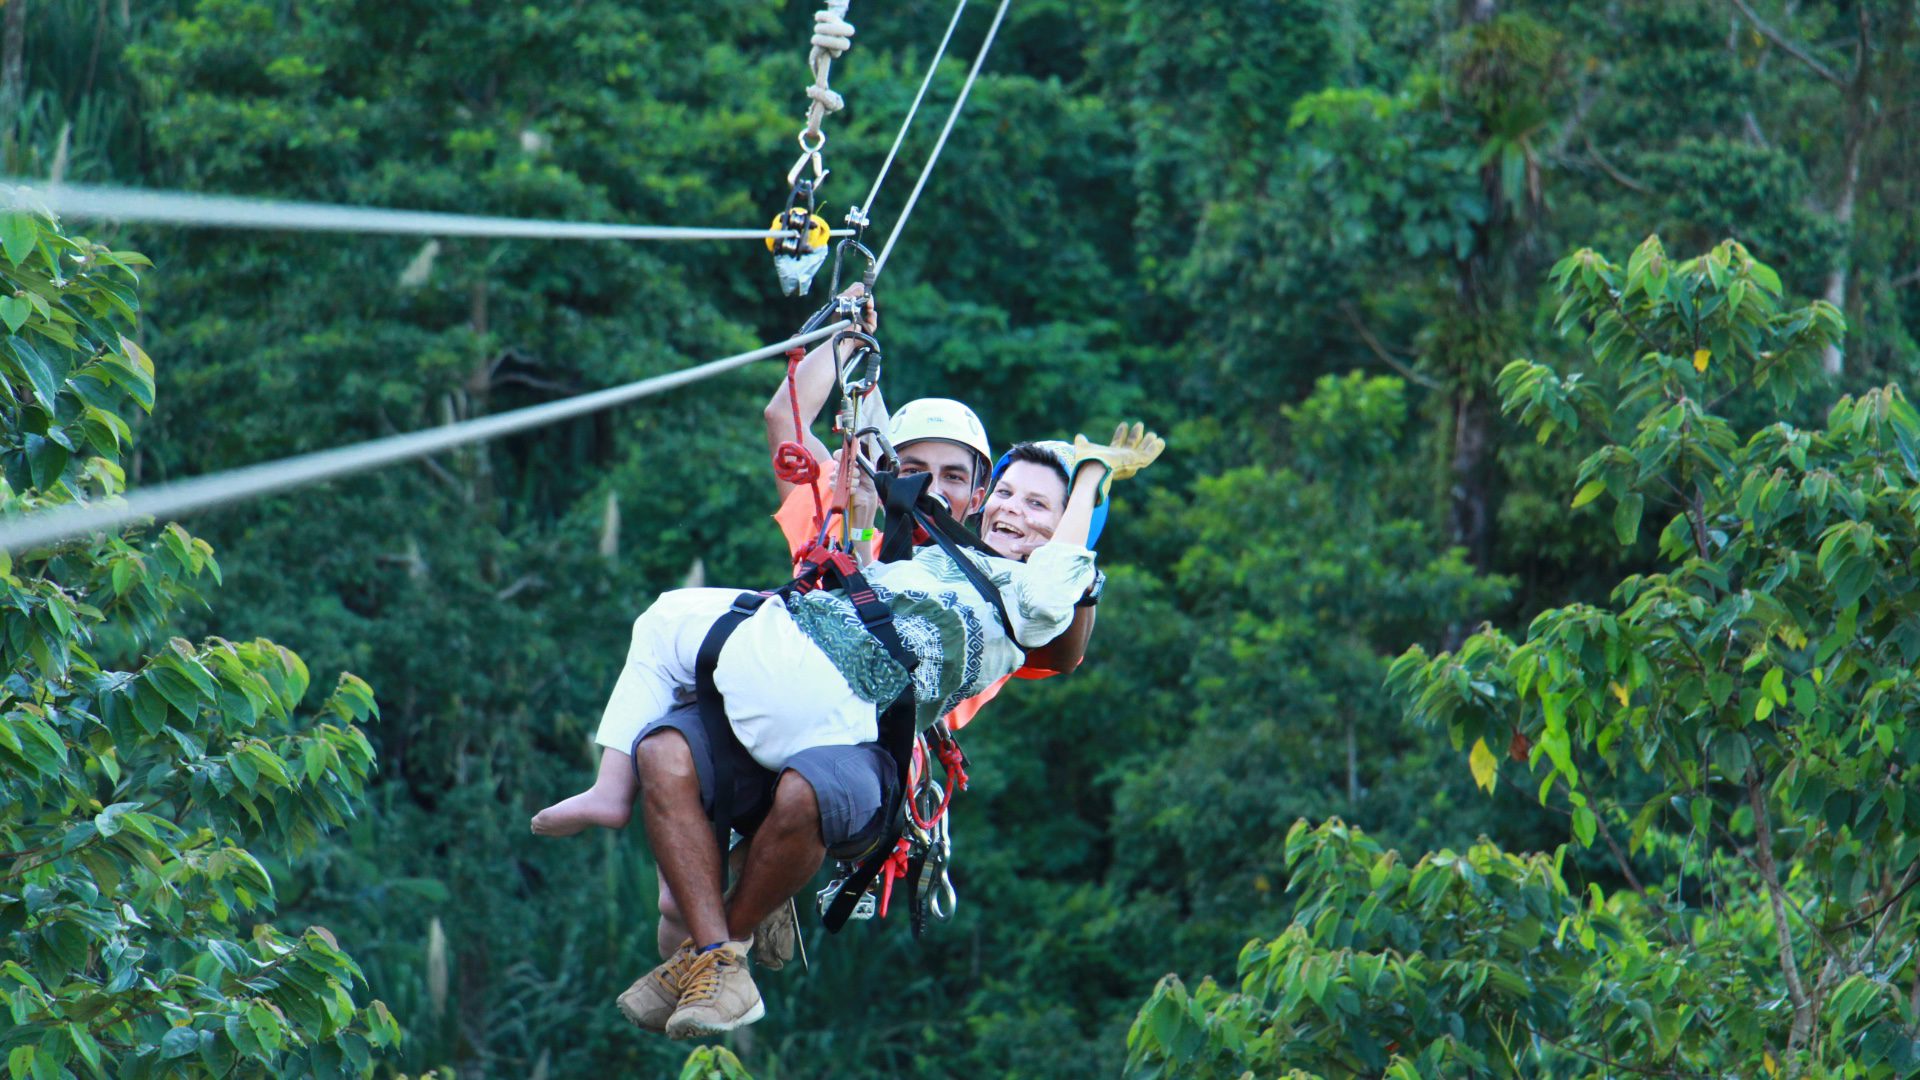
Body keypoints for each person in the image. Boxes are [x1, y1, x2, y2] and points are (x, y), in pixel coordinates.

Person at [532, 424, 1163, 1039]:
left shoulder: (1030, 603)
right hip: (793, 658)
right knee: (665, 646)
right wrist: (854, 355)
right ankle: (658, 857)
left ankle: (715, 944)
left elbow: (1063, 587)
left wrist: (1089, 477)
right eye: (1005, 493)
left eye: (1037, 505)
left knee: (790, 774)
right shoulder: (931, 548)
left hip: (854, 727)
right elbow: (857, 477)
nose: (1012, 510)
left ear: (1065, 531)